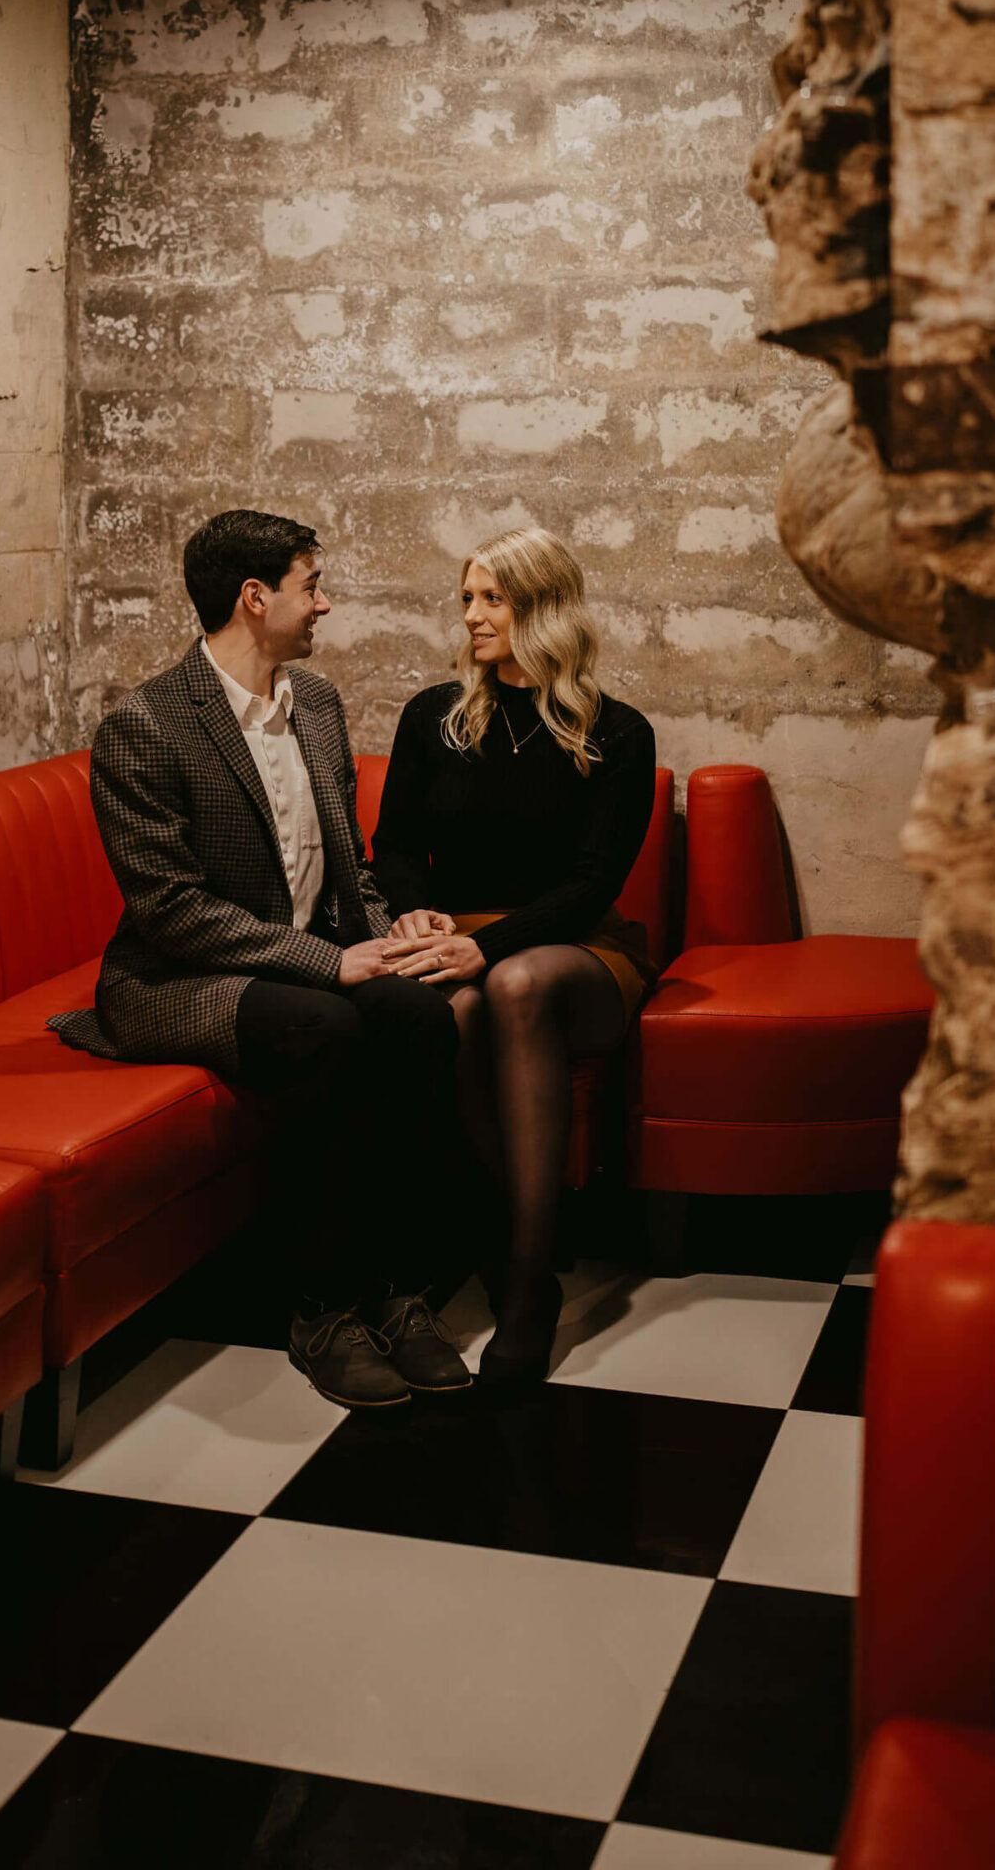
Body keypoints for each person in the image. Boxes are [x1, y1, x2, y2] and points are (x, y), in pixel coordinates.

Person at [52, 508, 472, 1413]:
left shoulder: (314, 704)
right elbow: (168, 911)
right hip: (175, 980)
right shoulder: (145, 725)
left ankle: (398, 1289)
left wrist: (386, 931)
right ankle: (322, 1311)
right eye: (309, 584)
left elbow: (345, 859)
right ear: (255, 597)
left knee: (419, 1012)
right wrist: (328, 965)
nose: (324, 602)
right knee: (325, 1026)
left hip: (297, 959)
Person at [372, 525, 656, 1390]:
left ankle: (528, 1287)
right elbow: (391, 845)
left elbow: (589, 882)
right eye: (466, 598)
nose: (471, 616)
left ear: (542, 605)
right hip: (461, 939)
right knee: (456, 1005)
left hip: (572, 948)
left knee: (515, 983)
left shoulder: (617, 732)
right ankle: (500, 1241)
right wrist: (408, 908)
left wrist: (481, 944)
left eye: (491, 598)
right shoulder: (433, 716)